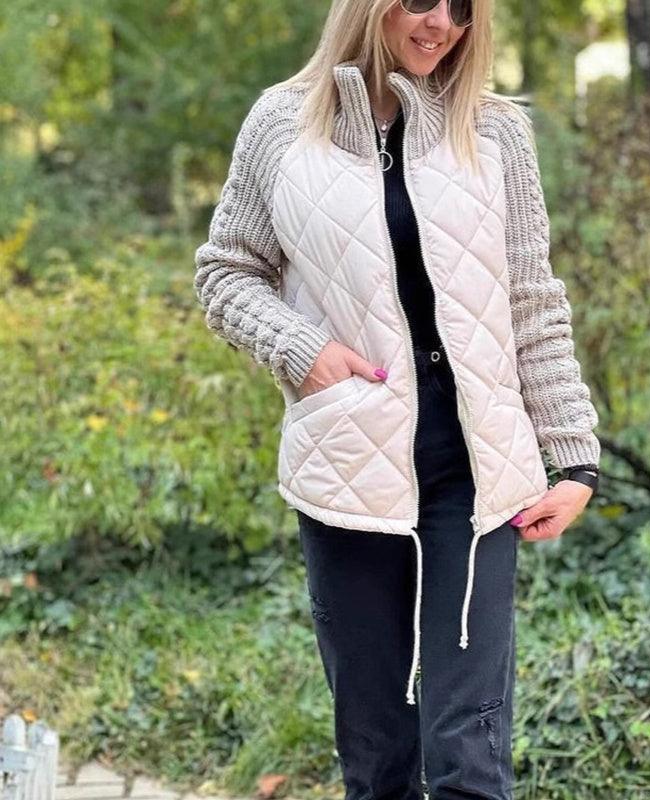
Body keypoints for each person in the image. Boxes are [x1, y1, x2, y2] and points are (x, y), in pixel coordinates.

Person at [194, 0, 601, 796]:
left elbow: (530, 298)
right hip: (348, 460)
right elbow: (227, 272)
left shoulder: (495, 131)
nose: (440, 22)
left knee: (469, 754)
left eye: (462, 6)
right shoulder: (282, 124)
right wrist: (304, 352)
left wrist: (575, 457)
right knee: (377, 755)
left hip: (477, 472)